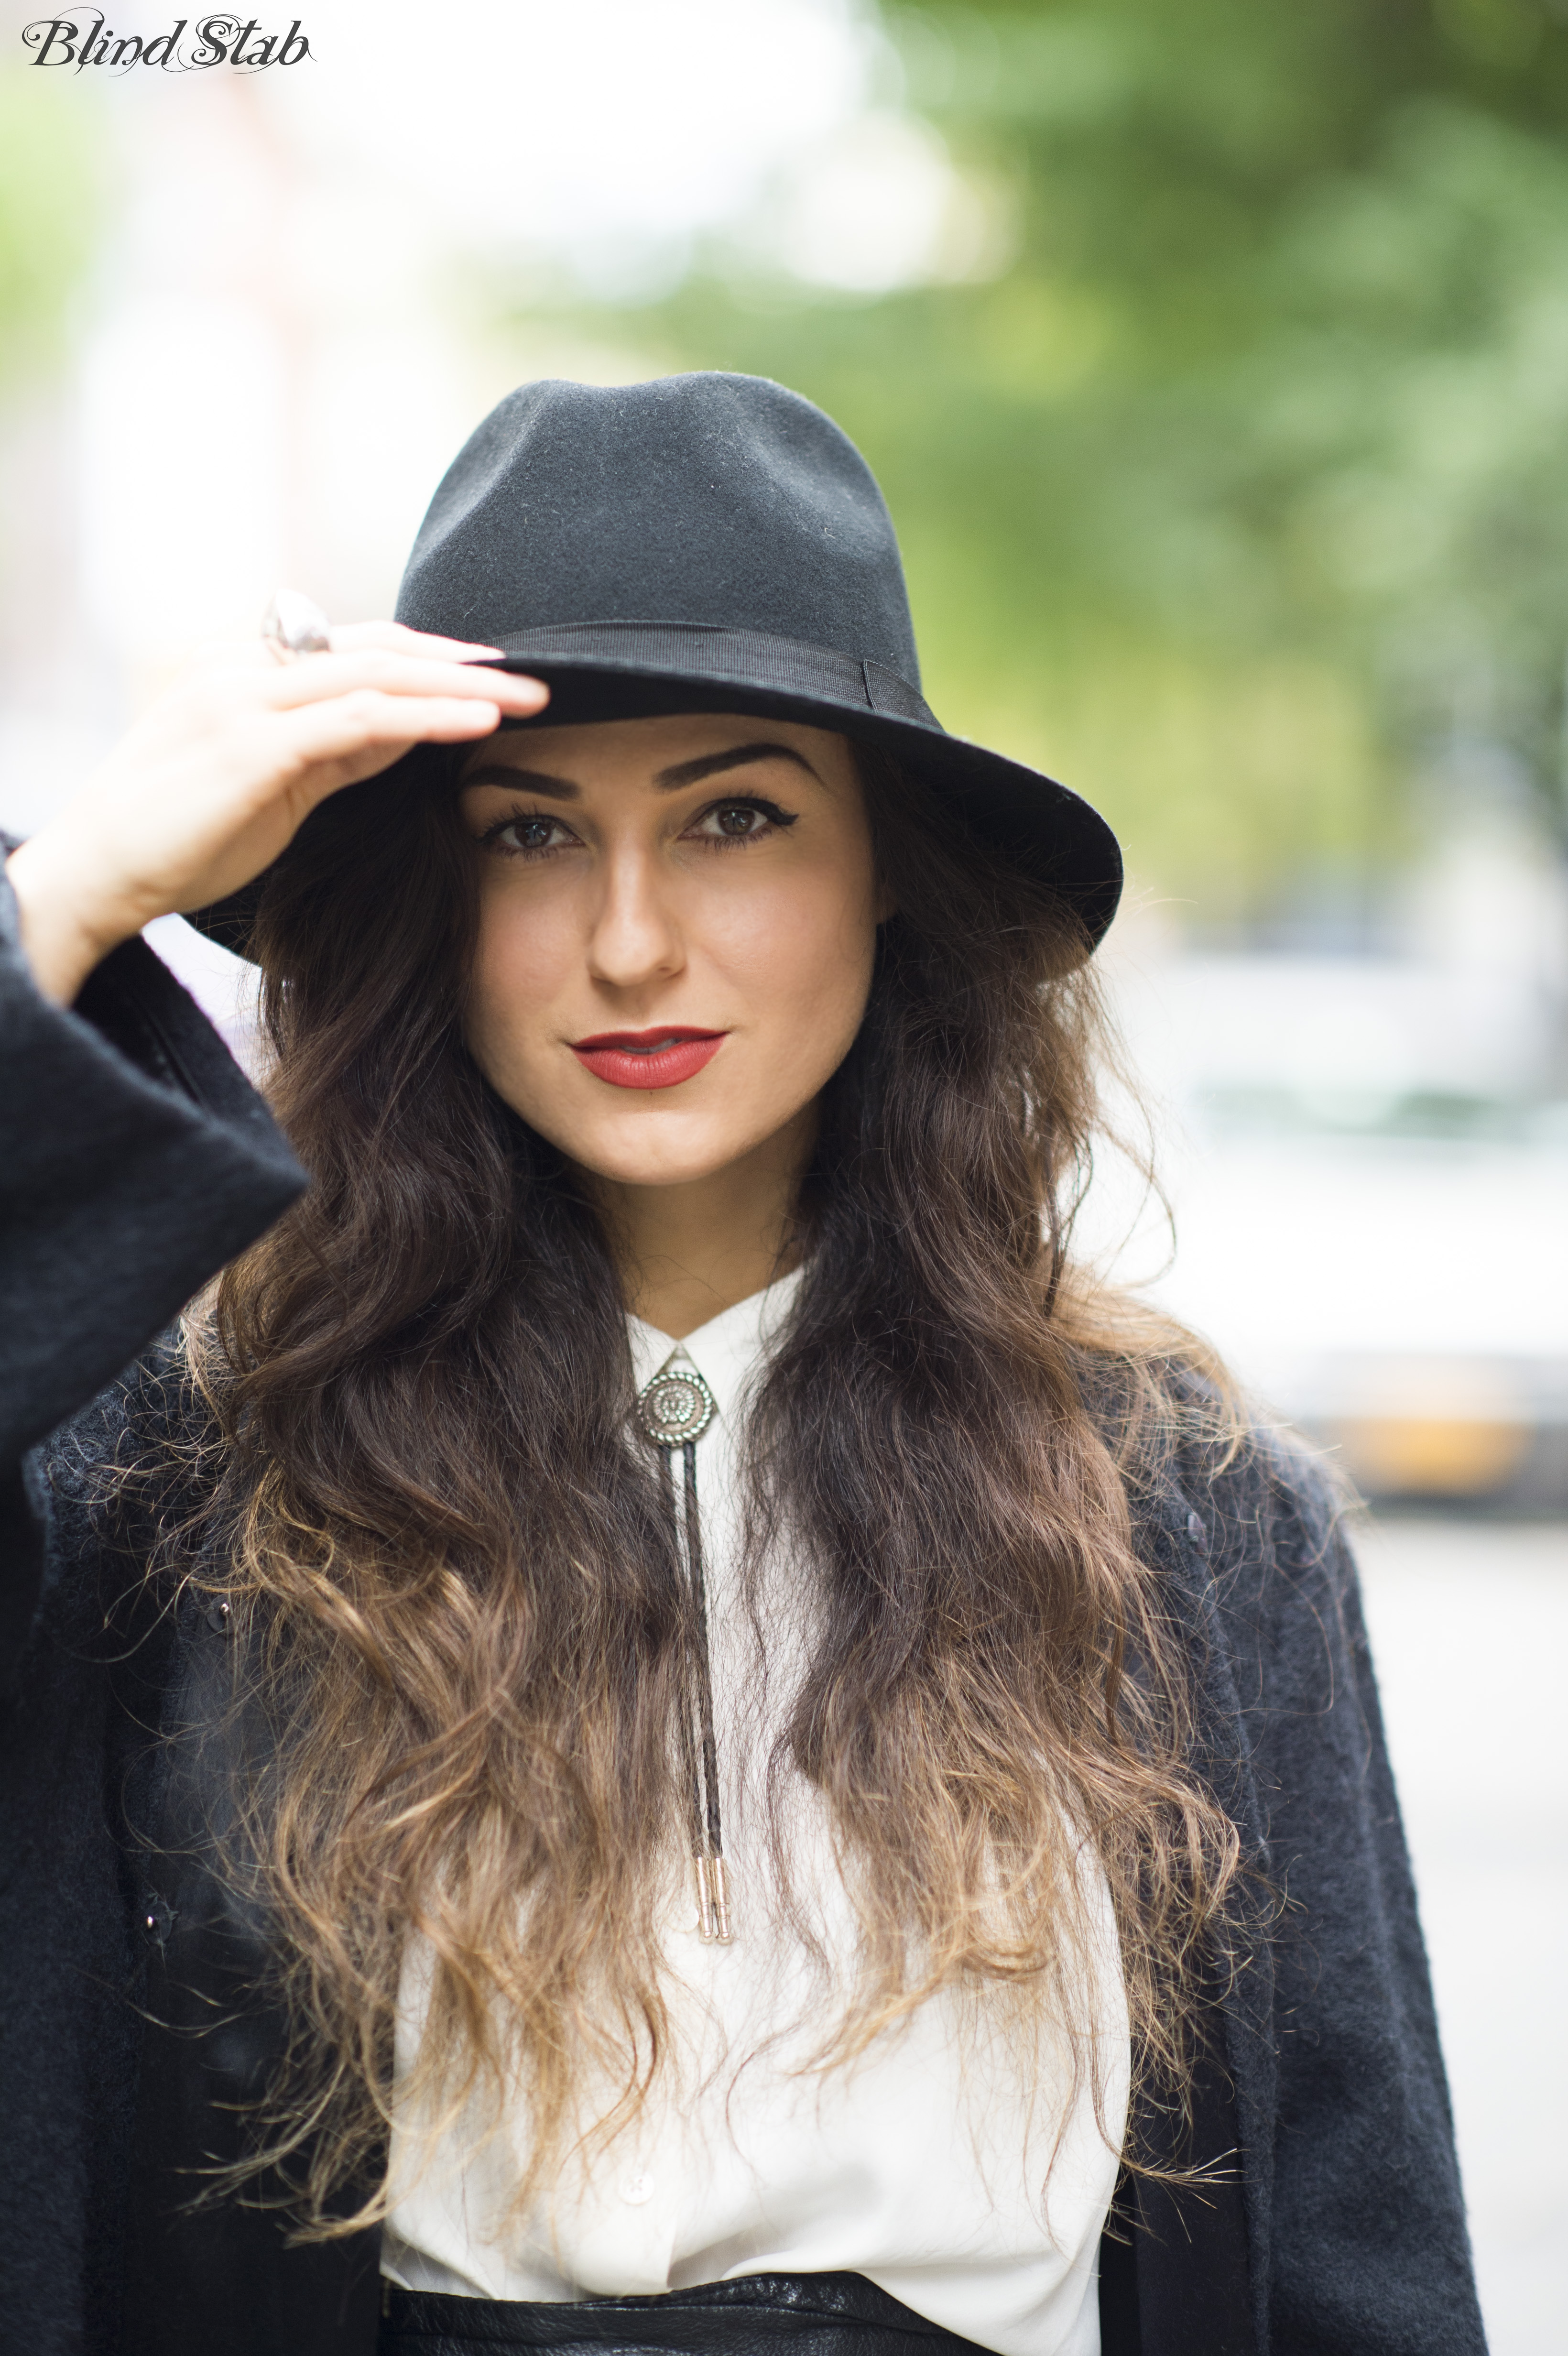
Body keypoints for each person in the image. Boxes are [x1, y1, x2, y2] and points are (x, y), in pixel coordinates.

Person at [0, 375, 1484, 2356]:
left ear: (886, 864)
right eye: (531, 834)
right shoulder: (189, 1493)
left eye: (733, 814)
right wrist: (67, 893)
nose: (629, 939)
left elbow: (1357, 2270)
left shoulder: (1184, 1508)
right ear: (434, 903)